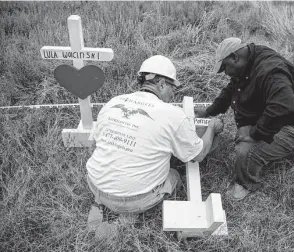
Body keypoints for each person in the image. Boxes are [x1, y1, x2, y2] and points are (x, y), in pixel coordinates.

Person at [86, 55, 224, 225]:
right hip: (134, 199)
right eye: (172, 87)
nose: (173, 94)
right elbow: (198, 155)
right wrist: (211, 127)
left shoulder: (113, 103)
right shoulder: (172, 114)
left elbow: (94, 144)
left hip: (95, 185)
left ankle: (99, 204)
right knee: (173, 175)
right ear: (161, 84)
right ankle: (125, 219)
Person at [195, 37, 294, 200]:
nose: (225, 73)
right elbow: (231, 90)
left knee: (247, 151)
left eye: (225, 67)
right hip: (278, 121)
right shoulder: (248, 62)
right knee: (242, 136)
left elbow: (284, 106)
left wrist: (256, 134)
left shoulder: (270, 70)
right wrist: (208, 111)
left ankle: (247, 184)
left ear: (235, 57)